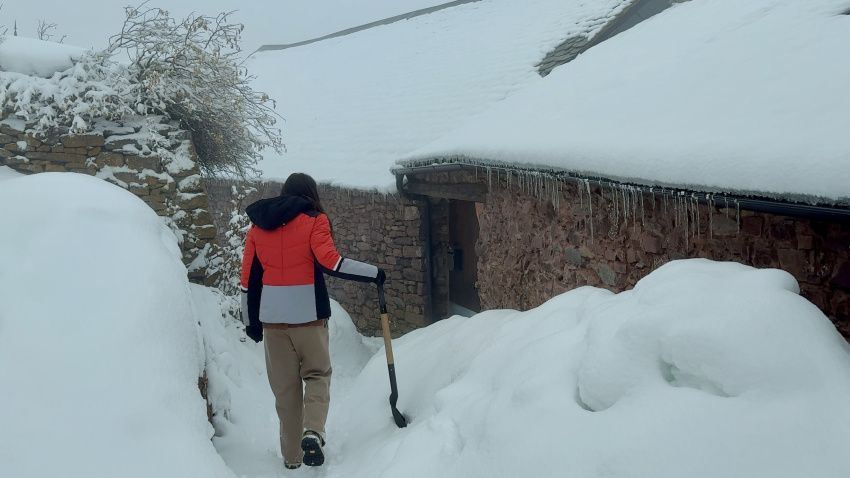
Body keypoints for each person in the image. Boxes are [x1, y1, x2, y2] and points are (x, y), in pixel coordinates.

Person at [240, 172, 385, 470]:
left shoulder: (257, 227)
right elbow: (331, 261)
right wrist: (374, 273)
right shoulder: (315, 220)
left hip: (273, 322)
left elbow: (248, 281)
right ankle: (313, 432)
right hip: (309, 317)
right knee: (317, 375)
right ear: (310, 193)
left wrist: (250, 322)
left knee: (285, 390)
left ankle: (292, 459)